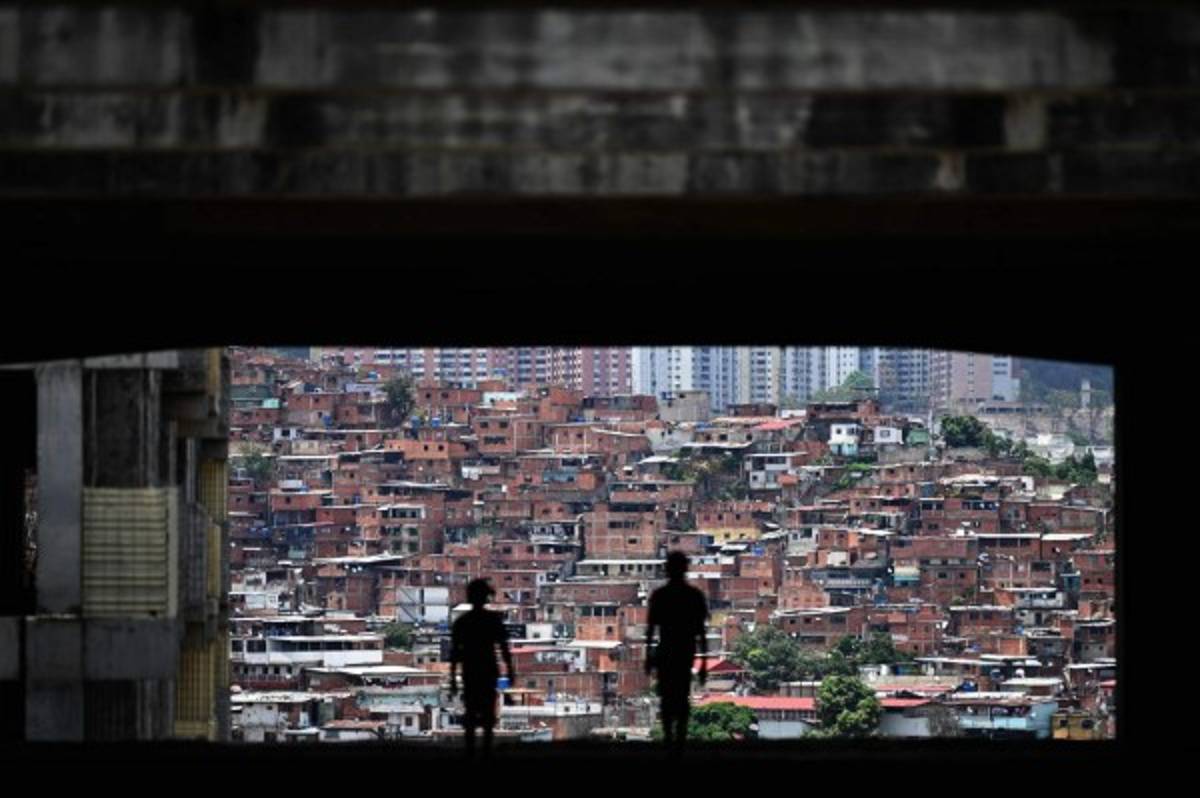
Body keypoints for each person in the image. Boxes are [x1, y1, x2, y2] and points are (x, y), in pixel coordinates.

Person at [645, 550, 709, 756]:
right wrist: (703, 664)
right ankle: (677, 740)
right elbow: (701, 633)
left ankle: (670, 740)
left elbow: (651, 629)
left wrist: (649, 656)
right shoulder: (693, 596)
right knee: (679, 697)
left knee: (670, 697)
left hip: (670, 652)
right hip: (683, 652)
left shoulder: (661, 595)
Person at [449, 578, 515, 759]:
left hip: (471, 672)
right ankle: (485, 750)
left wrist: (453, 678)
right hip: (487, 671)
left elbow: (455, 653)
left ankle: (471, 751)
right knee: (486, 714)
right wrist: (510, 672)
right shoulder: (492, 620)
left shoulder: (462, 623)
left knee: (472, 712)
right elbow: (504, 649)